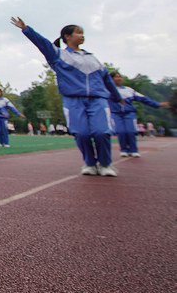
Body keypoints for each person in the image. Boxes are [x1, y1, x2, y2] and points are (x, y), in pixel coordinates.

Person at [11, 17, 121, 176]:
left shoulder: (93, 58)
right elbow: (43, 44)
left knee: (102, 132)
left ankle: (105, 164)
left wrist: (117, 97)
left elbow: (107, 80)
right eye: (78, 32)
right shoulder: (58, 55)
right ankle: (90, 163)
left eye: (82, 33)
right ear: (67, 37)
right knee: (81, 133)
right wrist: (26, 29)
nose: (81, 35)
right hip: (73, 99)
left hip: (98, 99)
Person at [109, 71, 168, 157]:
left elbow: (143, 99)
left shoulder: (128, 90)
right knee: (121, 132)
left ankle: (133, 150)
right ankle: (124, 150)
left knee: (130, 131)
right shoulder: (107, 90)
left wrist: (157, 104)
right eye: (116, 77)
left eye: (120, 76)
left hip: (129, 114)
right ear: (111, 79)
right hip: (116, 114)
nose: (119, 78)